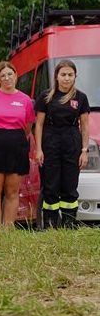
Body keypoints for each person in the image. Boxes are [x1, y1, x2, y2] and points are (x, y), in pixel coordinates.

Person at [0, 61, 34, 230]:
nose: (7, 78)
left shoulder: (25, 100)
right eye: (3, 76)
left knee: (12, 192)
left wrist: (12, 138)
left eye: (10, 74)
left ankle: (8, 230)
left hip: (17, 145)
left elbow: (28, 126)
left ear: (16, 76)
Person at [34, 60, 90, 229]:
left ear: (75, 77)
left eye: (70, 75)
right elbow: (39, 125)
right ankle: (50, 226)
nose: (66, 78)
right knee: (50, 186)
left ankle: (68, 226)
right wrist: (38, 149)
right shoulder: (46, 96)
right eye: (63, 74)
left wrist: (84, 150)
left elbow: (85, 126)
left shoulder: (80, 97)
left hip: (72, 141)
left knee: (70, 186)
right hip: (50, 141)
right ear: (56, 77)